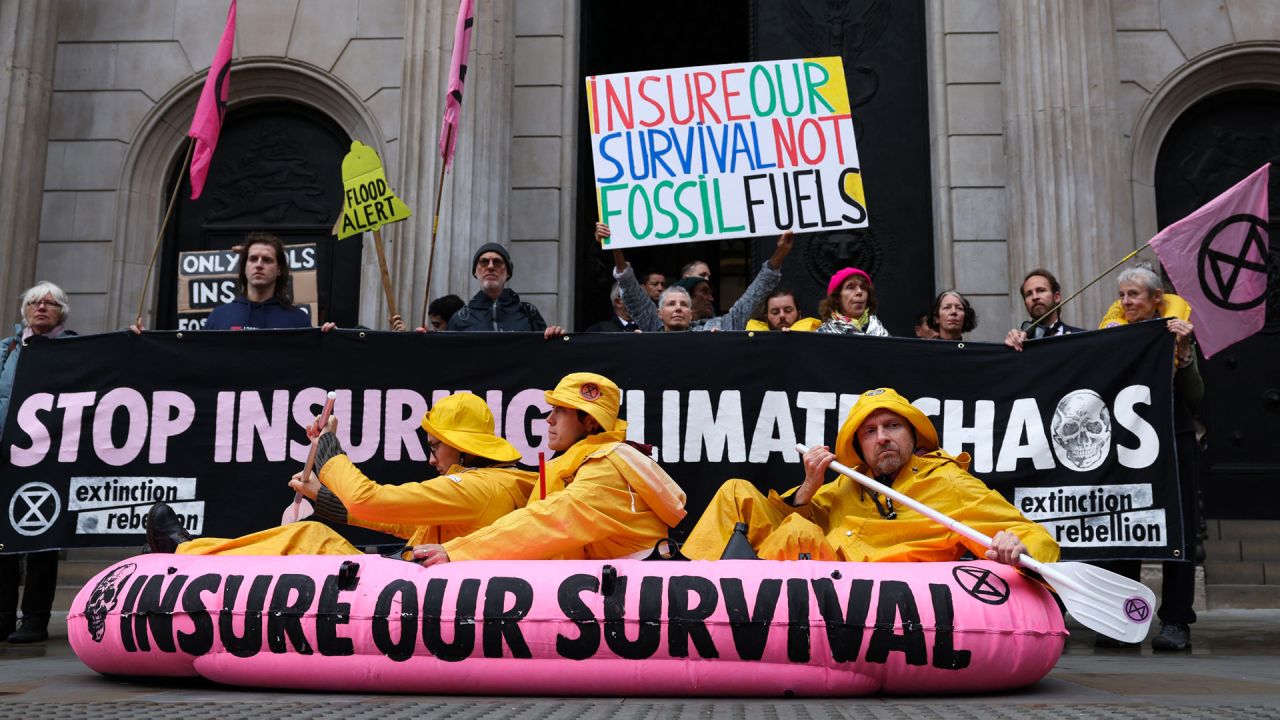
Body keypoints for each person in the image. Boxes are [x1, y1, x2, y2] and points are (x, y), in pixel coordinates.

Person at [682, 387, 1059, 565]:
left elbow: (1035, 537)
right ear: (859, 448)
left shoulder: (949, 483)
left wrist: (1018, 545)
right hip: (817, 576)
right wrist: (808, 489)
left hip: (876, 593)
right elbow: (787, 519)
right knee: (737, 492)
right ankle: (680, 598)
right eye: (869, 431)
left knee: (800, 535)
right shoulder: (849, 481)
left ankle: (739, 607)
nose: (882, 438)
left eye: (892, 425)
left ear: (913, 435)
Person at [144, 393, 537, 557]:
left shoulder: (475, 488)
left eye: (434, 446)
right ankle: (192, 552)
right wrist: (321, 496)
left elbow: (370, 499)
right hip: (427, 582)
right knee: (313, 535)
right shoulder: (496, 485)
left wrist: (329, 446)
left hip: (422, 589)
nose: (431, 458)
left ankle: (184, 553)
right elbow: (403, 523)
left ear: (464, 449)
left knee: (311, 536)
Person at [413, 372, 687, 564]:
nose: (549, 419)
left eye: (561, 410)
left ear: (590, 422)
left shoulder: (605, 468)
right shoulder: (585, 463)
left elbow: (548, 521)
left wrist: (457, 551)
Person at [1094, 262, 1202, 652]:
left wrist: (1185, 352)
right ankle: (1125, 618)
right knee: (1126, 526)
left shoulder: (1178, 333)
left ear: (1157, 300)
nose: (1125, 302)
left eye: (1133, 295)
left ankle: (1175, 620)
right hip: (1128, 447)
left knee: (1179, 528)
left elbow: (1198, 396)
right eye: (1121, 295)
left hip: (1173, 439)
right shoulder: (1114, 333)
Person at [0, 281, 77, 643]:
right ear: (25, 311)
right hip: (7, 454)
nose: (41, 307)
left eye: (50, 303)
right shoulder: (8, 349)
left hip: (52, 455)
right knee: (3, 541)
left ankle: (34, 619)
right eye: (34, 302)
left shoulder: (78, 348)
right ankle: (2, 617)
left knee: (41, 539)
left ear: (62, 311)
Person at [600, 222, 793, 332]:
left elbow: (755, 295)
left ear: (690, 314)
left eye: (683, 305)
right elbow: (630, 287)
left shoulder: (717, 328)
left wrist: (781, 253)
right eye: (671, 304)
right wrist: (614, 244)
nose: (677, 309)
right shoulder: (653, 329)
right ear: (659, 314)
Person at [448, 242, 564, 338]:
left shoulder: (528, 313)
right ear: (475, 272)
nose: (490, 266)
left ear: (508, 272)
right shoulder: (459, 319)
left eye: (497, 262)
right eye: (484, 262)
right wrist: (429, 338)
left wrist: (554, 337)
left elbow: (544, 354)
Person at [205, 232, 313, 330]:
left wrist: (327, 338)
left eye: (266, 260)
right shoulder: (219, 316)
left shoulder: (298, 320)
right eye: (253, 259)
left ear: (279, 270)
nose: (259, 265)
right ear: (244, 268)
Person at [1005, 269, 1086, 351]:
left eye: (1041, 290)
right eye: (1029, 294)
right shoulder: (1019, 342)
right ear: (1025, 304)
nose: (1035, 297)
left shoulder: (1082, 339)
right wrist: (1010, 348)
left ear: (1056, 297)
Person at [816, 267, 889, 336]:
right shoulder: (822, 336)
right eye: (850, 287)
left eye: (863, 287)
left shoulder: (881, 332)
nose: (860, 292)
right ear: (837, 297)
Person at [745, 289, 821, 332]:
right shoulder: (753, 342)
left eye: (788, 310)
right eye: (775, 312)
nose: (782, 315)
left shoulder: (817, 338)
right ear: (766, 318)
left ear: (799, 314)